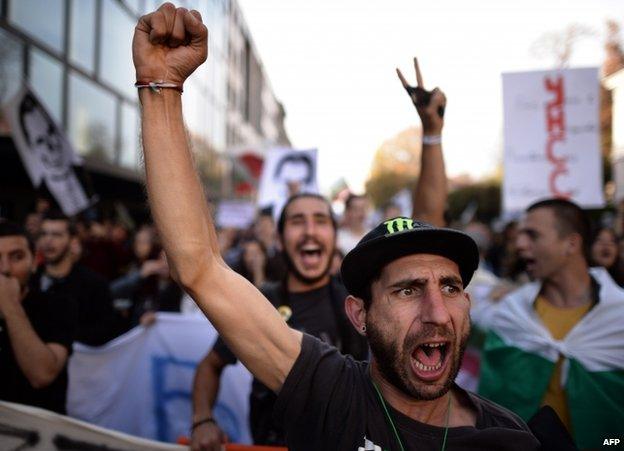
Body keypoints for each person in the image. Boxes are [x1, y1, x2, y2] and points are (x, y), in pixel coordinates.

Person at [133, 4, 540, 450]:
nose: (437, 313)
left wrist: (431, 136)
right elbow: (200, 267)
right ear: (360, 315)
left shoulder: (512, 439)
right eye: (406, 290)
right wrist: (161, 87)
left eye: (450, 287)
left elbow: (432, 217)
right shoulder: (332, 395)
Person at [478, 199, 624, 449]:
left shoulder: (618, 316)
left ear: (571, 244)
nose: (520, 244)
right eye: (521, 234)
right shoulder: (510, 313)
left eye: (532, 235)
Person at [0, 220, 76, 414]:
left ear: (34, 262)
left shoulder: (58, 306)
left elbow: (42, 374)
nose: (5, 269)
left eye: (16, 257)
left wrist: (9, 304)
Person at [32, 211, 122, 346]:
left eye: (56, 235)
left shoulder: (95, 285)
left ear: (72, 240)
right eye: (44, 234)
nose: (48, 240)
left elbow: (106, 331)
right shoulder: (28, 281)